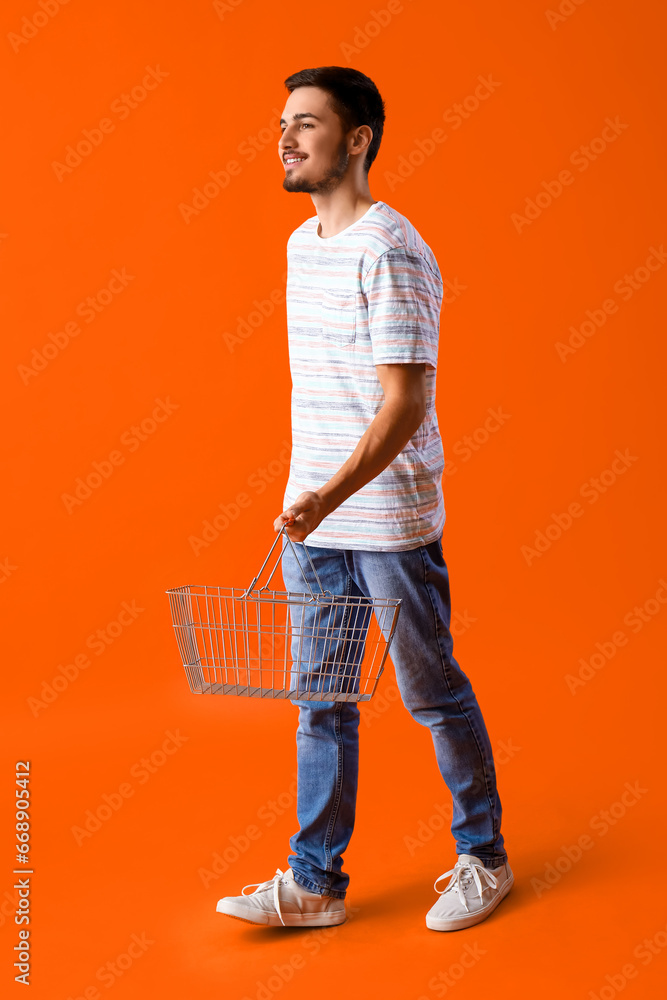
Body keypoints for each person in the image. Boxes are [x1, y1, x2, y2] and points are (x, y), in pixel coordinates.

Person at [216, 65, 513, 932]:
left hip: (383, 517)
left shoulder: (390, 250)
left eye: (305, 124)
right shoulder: (300, 247)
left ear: (357, 140)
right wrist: (308, 498)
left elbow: (402, 403)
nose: (285, 138)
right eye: (281, 123)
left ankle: (483, 858)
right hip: (313, 513)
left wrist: (328, 493)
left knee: (430, 690)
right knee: (321, 698)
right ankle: (315, 883)